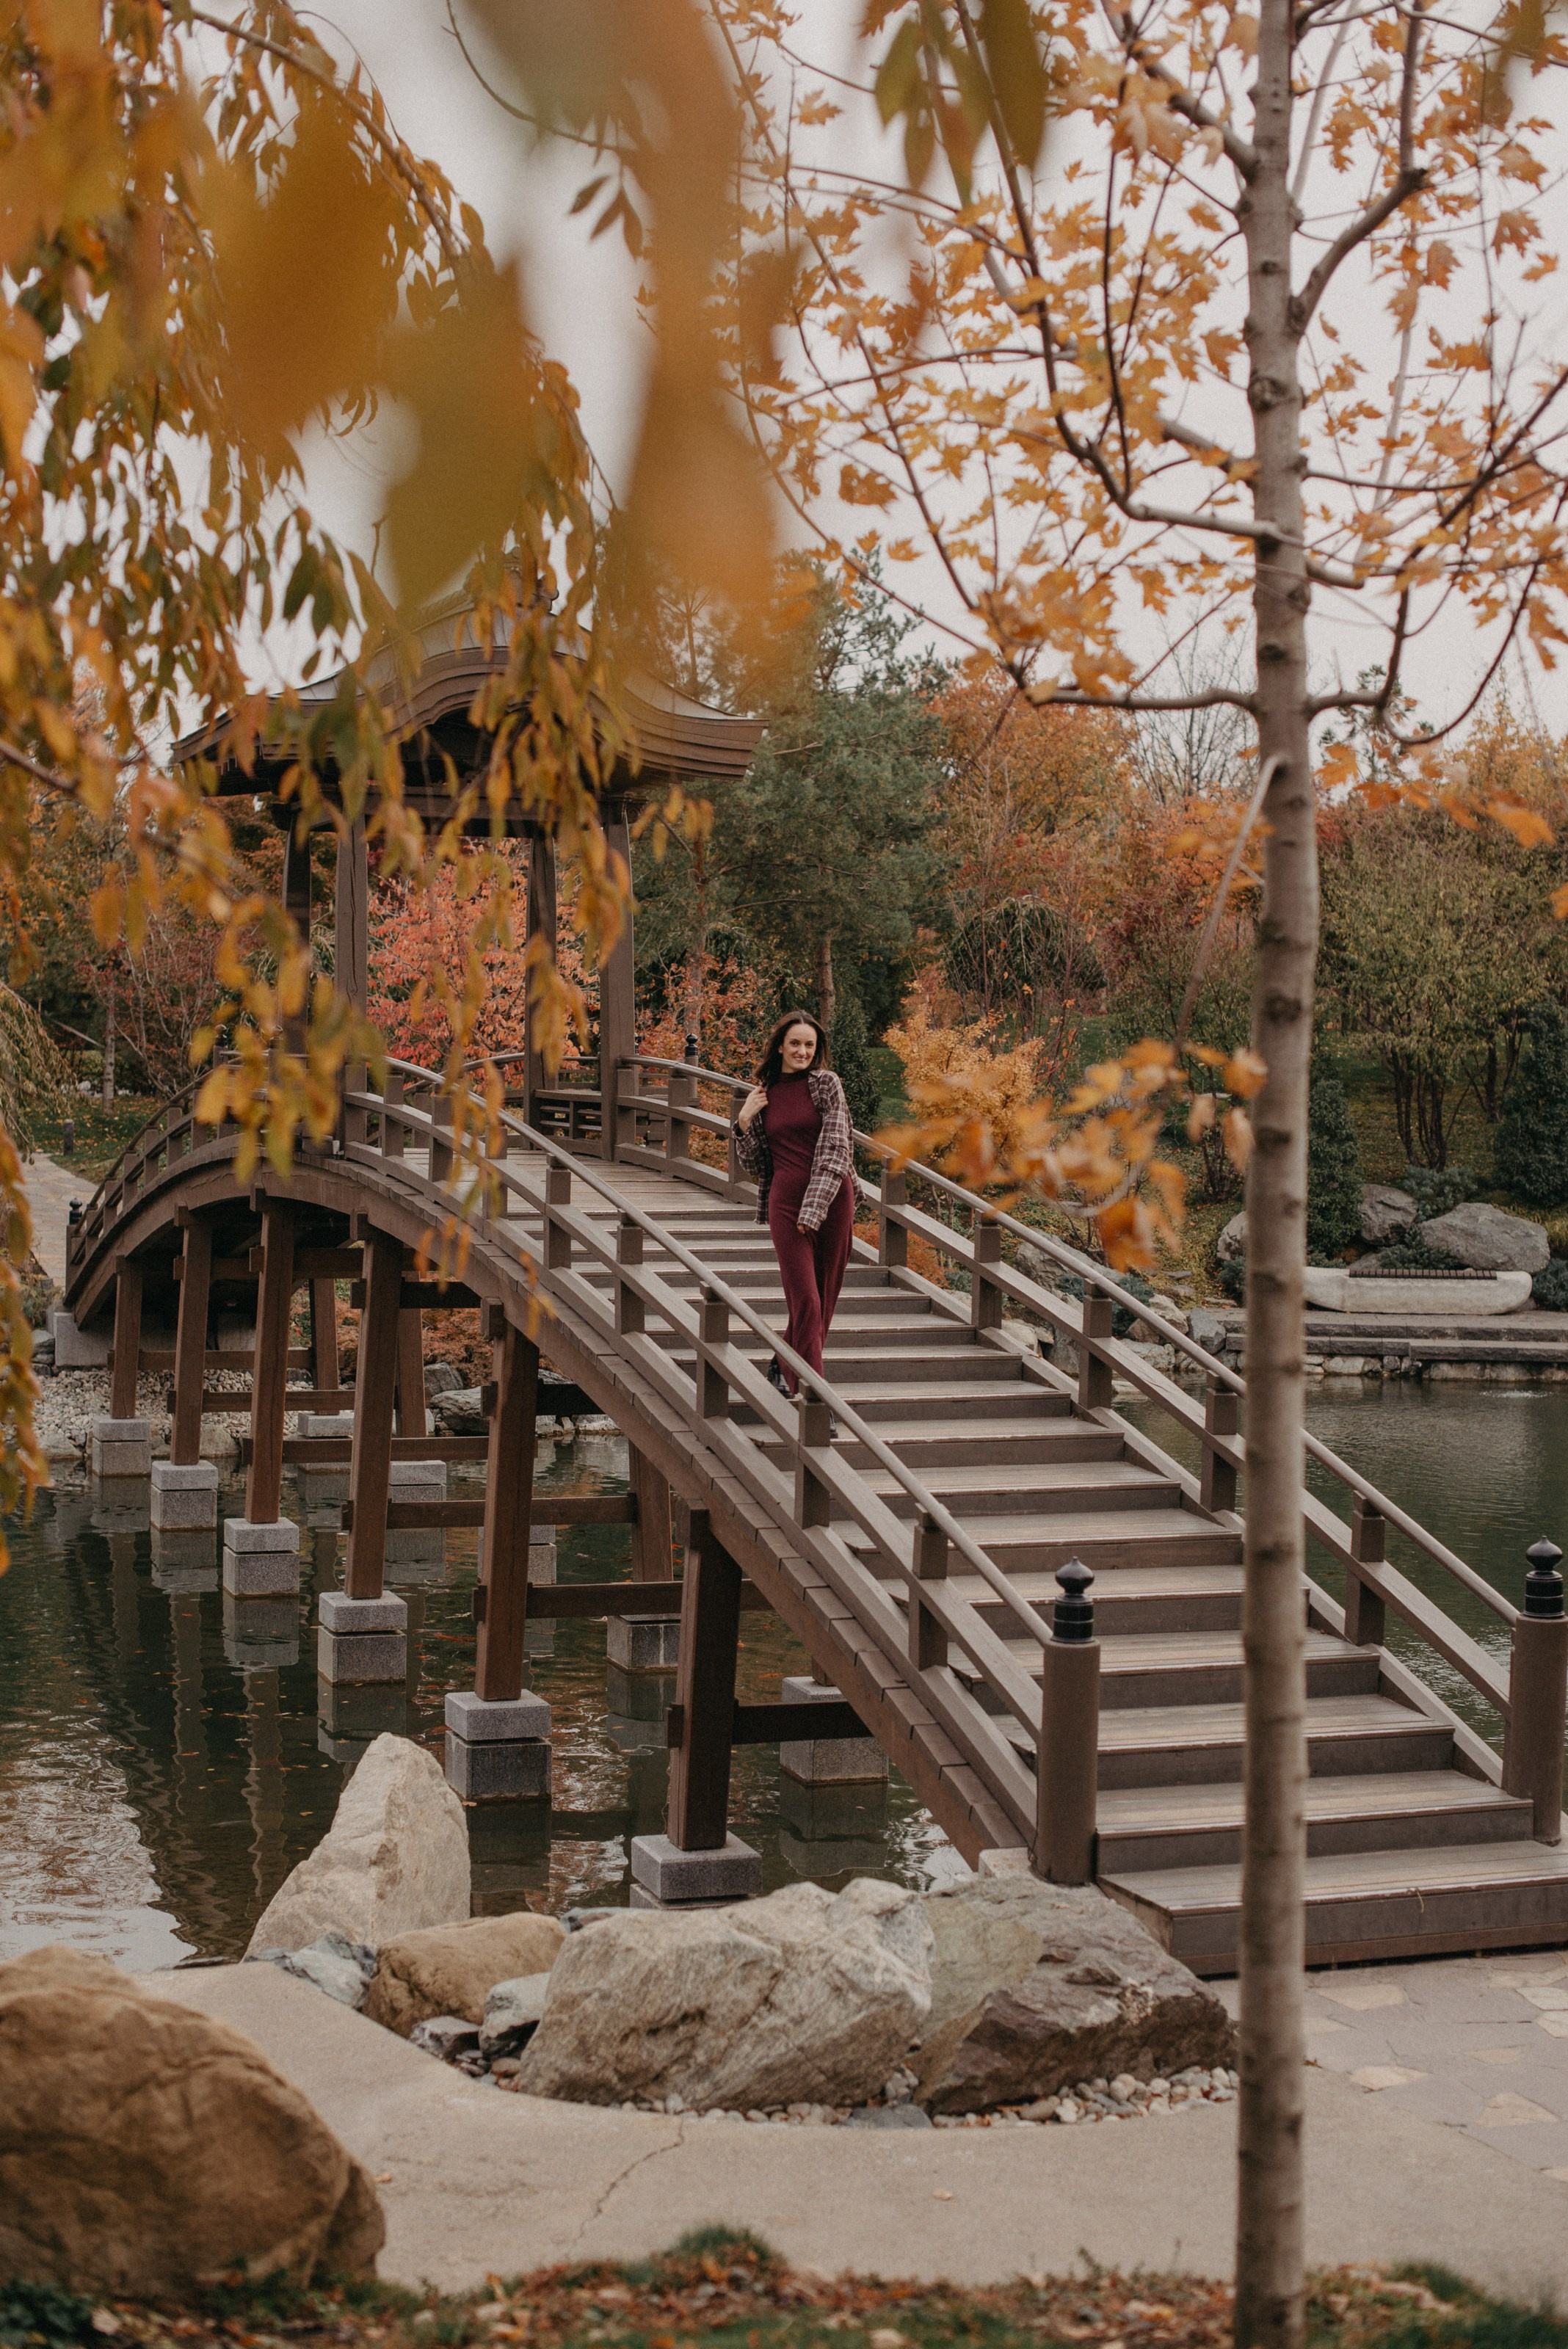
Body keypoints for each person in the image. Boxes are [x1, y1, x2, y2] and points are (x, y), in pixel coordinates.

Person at [732, 1009, 855, 1412]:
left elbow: (838, 1149)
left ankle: (783, 1365)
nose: (802, 1051)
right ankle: (814, 1399)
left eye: (810, 1045)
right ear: (780, 1046)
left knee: (825, 1297)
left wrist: (815, 1209)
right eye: (795, 1043)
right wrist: (744, 1122)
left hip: (832, 1200)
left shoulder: (826, 1085)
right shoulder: (763, 1094)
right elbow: (755, 1165)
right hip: (785, 1202)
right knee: (806, 1300)